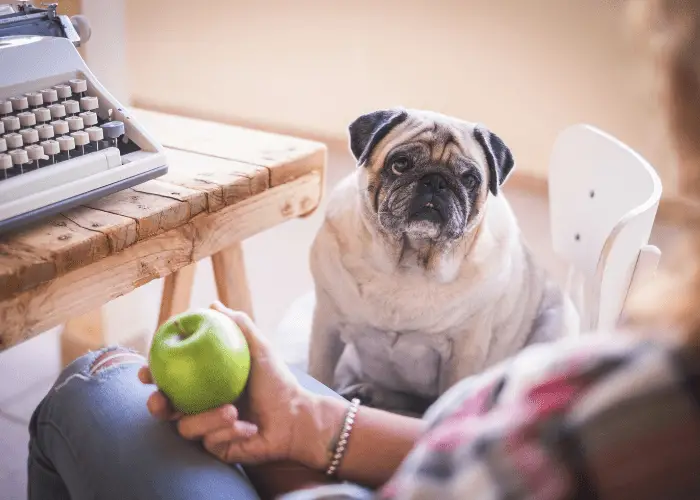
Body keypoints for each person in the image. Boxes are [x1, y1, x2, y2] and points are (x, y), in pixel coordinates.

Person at [27, 1, 700, 498]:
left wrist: (296, 466)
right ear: (366, 162)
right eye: (405, 168)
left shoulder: (609, 405)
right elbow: (457, 440)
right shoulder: (640, 390)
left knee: (95, 381)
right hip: (403, 432)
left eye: (462, 181)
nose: (434, 191)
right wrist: (314, 424)